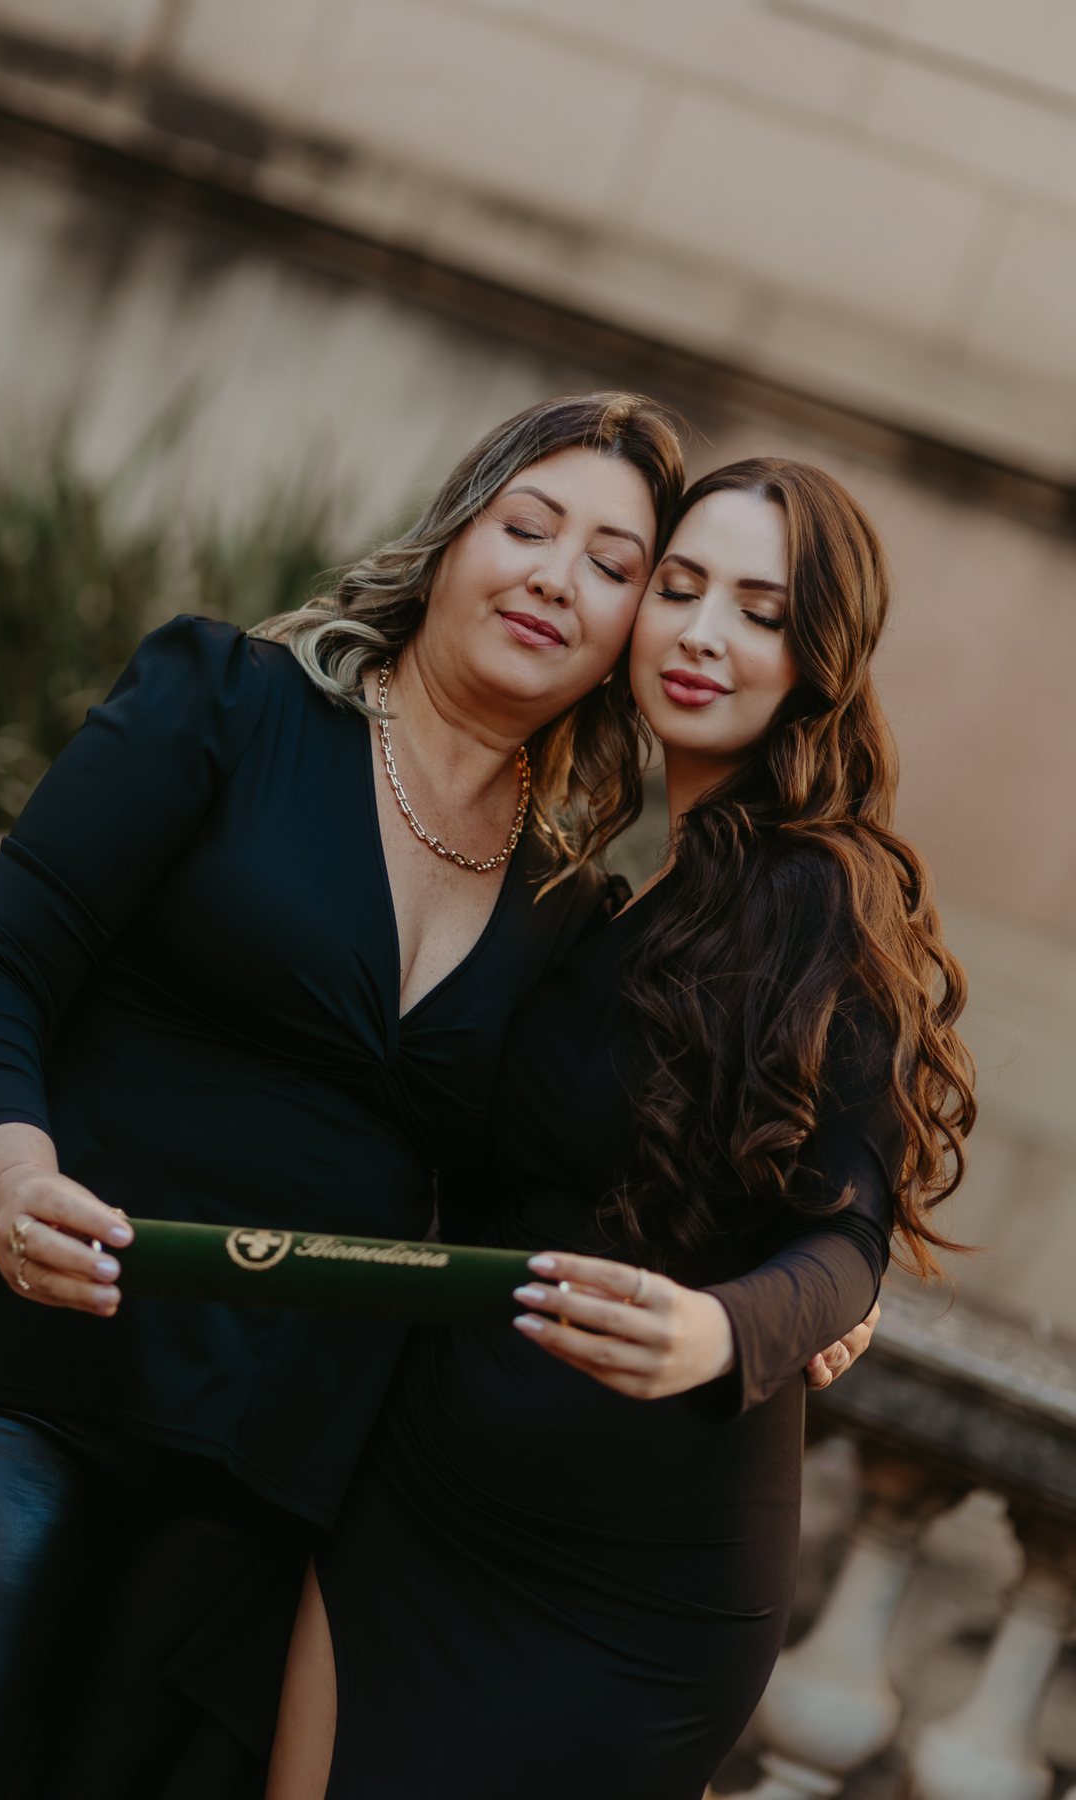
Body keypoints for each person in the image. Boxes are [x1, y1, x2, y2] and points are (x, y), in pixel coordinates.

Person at [0, 393, 687, 1800]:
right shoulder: (226, 701)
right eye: (529, 527)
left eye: (613, 566)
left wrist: (814, 1286)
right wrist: (9, 1174)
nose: (558, 578)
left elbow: (581, 1176)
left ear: (631, 634)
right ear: (453, 538)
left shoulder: (570, 908)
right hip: (46, 1344)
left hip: (276, 1451)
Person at [270, 459, 975, 1800]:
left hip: (630, 1586)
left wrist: (727, 1330)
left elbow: (846, 1241)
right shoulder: (592, 894)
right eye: (678, 588)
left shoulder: (826, 898)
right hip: (419, 1487)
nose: (702, 635)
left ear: (817, 659)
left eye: (759, 612)